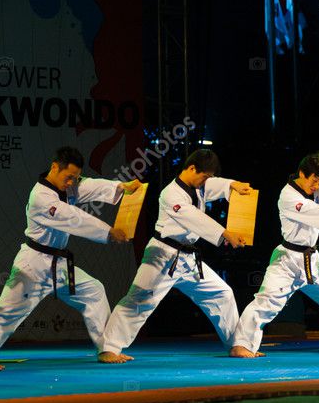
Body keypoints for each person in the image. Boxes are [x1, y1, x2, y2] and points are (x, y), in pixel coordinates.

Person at [0, 146, 140, 371]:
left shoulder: (68, 187)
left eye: (75, 178)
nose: (72, 182)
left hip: (60, 265)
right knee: (9, 309)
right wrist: (108, 231)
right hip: (35, 264)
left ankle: (107, 348)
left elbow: (91, 186)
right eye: (69, 177)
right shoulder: (41, 197)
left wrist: (121, 187)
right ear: (54, 167)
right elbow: (74, 218)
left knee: (94, 291)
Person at [97, 149, 255, 362]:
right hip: (163, 255)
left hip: (189, 260)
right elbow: (193, 218)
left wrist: (231, 184)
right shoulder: (171, 194)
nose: (207, 181)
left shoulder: (199, 187)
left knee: (222, 293)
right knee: (140, 298)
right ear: (191, 168)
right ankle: (109, 348)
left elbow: (217, 184)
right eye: (205, 176)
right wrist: (225, 233)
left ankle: (236, 344)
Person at [232, 151, 319, 356]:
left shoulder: (316, 188)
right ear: (302, 173)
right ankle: (242, 345)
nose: (317, 186)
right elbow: (315, 212)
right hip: (287, 260)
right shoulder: (288, 195)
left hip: (312, 260)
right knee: (267, 301)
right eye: (314, 181)